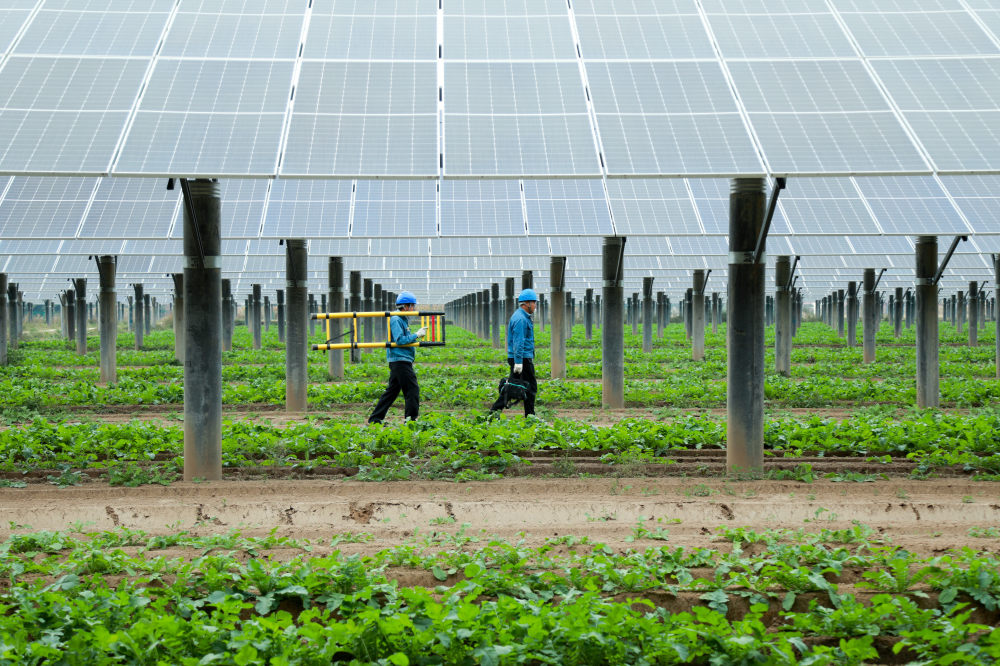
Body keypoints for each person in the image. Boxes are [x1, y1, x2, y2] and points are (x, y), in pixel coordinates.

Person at [368, 291, 426, 424]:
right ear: (405, 306)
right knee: (412, 389)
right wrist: (416, 335)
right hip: (400, 360)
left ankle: (375, 419)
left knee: (392, 392)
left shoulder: (403, 319)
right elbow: (400, 340)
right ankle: (411, 421)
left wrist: (416, 335)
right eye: (412, 306)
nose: (414, 309)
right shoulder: (396, 319)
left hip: (402, 360)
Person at [489, 288, 538, 417]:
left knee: (513, 387)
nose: (535, 305)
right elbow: (518, 342)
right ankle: (530, 417)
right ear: (527, 303)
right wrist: (518, 362)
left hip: (521, 358)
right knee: (531, 388)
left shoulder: (522, 316)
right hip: (521, 358)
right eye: (534, 302)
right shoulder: (521, 319)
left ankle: (494, 412)